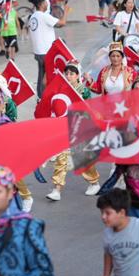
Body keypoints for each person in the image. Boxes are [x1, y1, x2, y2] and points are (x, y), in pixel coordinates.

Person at [46, 63, 98, 201]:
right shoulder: (60, 89)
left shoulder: (83, 90)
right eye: (66, 73)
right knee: (61, 158)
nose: (68, 76)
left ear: (77, 76)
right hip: (64, 128)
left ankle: (94, 182)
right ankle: (57, 189)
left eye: (72, 74)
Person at [29, 0, 69, 95]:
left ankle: (40, 95)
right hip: (46, 51)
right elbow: (62, 23)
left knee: (41, 73)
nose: (47, 4)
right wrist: (66, 11)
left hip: (38, 51)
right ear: (40, 5)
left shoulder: (33, 17)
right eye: (45, 2)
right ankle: (46, 95)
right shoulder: (44, 16)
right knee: (48, 75)